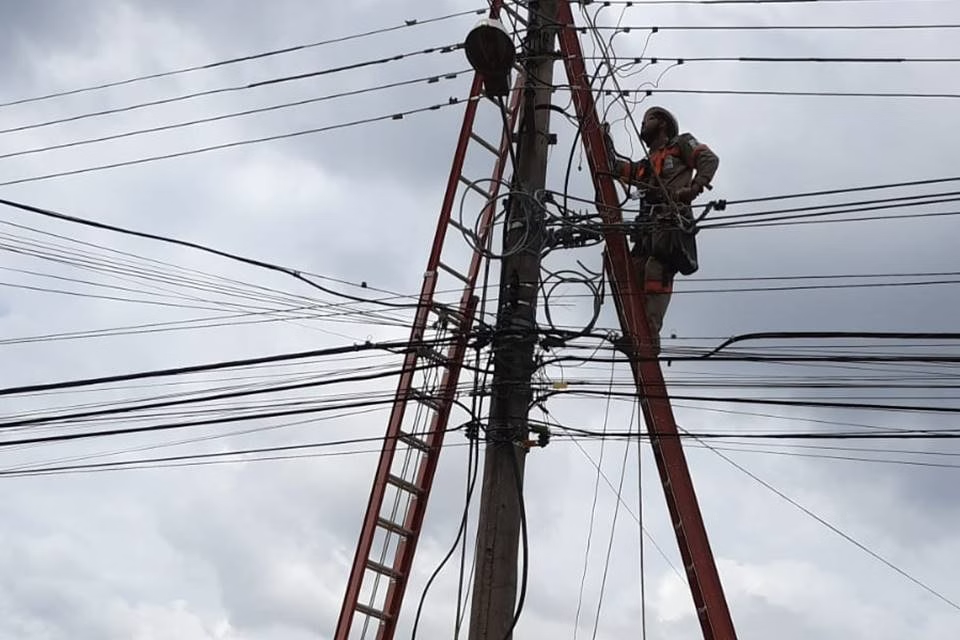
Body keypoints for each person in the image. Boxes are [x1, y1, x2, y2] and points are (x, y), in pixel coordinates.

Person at [601, 106, 719, 355]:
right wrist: (605, 144)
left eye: (648, 120)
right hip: (647, 230)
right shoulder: (646, 165)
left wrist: (694, 189)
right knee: (630, 271)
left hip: (669, 226)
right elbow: (621, 170)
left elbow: (709, 159)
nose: (642, 125)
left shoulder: (681, 144)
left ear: (663, 124)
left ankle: (649, 340)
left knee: (656, 272)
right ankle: (634, 334)